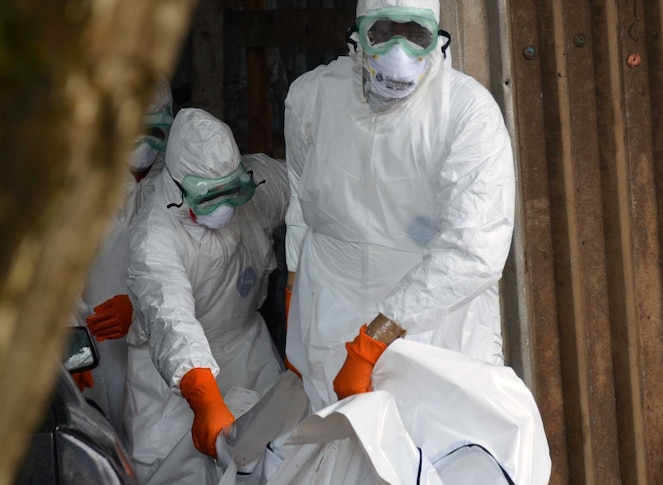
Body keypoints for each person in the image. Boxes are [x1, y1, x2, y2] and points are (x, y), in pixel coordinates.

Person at [282, 0, 515, 412]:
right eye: (383, 32)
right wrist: (293, 291)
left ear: (438, 40)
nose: (398, 52)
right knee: (340, 450)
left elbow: (474, 249)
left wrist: (374, 339)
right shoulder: (312, 98)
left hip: (435, 324)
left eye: (416, 35)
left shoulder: (467, 111)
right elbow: (302, 198)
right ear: (357, 34)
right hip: (332, 309)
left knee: (435, 449)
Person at [123, 107, 289, 484]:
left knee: (275, 458)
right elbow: (171, 319)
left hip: (249, 347)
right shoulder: (155, 237)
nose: (225, 206)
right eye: (209, 196)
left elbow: (310, 181)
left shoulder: (262, 185)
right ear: (179, 186)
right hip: (174, 380)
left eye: (232, 191)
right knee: (169, 470)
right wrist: (205, 398)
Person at [70, 77, 174, 439]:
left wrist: (140, 307)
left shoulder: (178, 181)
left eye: (152, 130)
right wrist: (70, 349)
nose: (142, 142)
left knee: (156, 447)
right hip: (95, 347)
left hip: (159, 347)